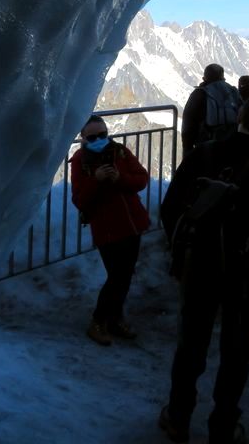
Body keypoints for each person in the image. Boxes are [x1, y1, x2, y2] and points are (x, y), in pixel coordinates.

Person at [158, 95, 249, 444]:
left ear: (238, 115)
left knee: (191, 342)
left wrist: (182, 249)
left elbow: (170, 208)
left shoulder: (202, 153)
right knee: (237, 348)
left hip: (200, 260)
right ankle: (223, 426)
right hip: (244, 261)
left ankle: (178, 418)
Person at [69, 115, 151, 345]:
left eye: (103, 135)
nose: (99, 140)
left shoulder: (120, 152)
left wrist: (119, 178)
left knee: (124, 275)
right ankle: (99, 320)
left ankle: (113, 318)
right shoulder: (79, 161)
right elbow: (80, 199)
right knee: (117, 276)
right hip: (107, 228)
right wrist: (96, 179)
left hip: (131, 223)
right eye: (93, 137)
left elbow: (141, 179)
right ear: (83, 138)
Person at [181, 63, 243, 153]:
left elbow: (188, 126)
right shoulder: (233, 92)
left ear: (204, 78)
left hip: (206, 149)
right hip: (232, 147)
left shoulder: (199, 94)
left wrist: (187, 150)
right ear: (223, 77)